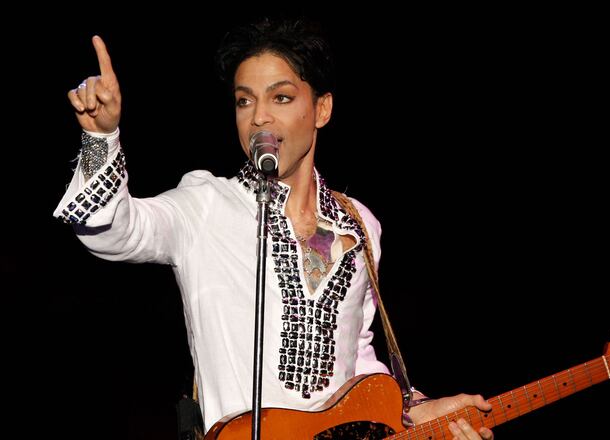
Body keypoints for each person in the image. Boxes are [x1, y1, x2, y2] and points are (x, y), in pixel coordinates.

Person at [56, 18, 494, 440]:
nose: (259, 117)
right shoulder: (206, 205)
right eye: (244, 101)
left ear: (321, 108)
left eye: (280, 97)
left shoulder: (359, 225)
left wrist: (415, 408)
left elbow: (354, 360)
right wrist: (100, 139)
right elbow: (112, 230)